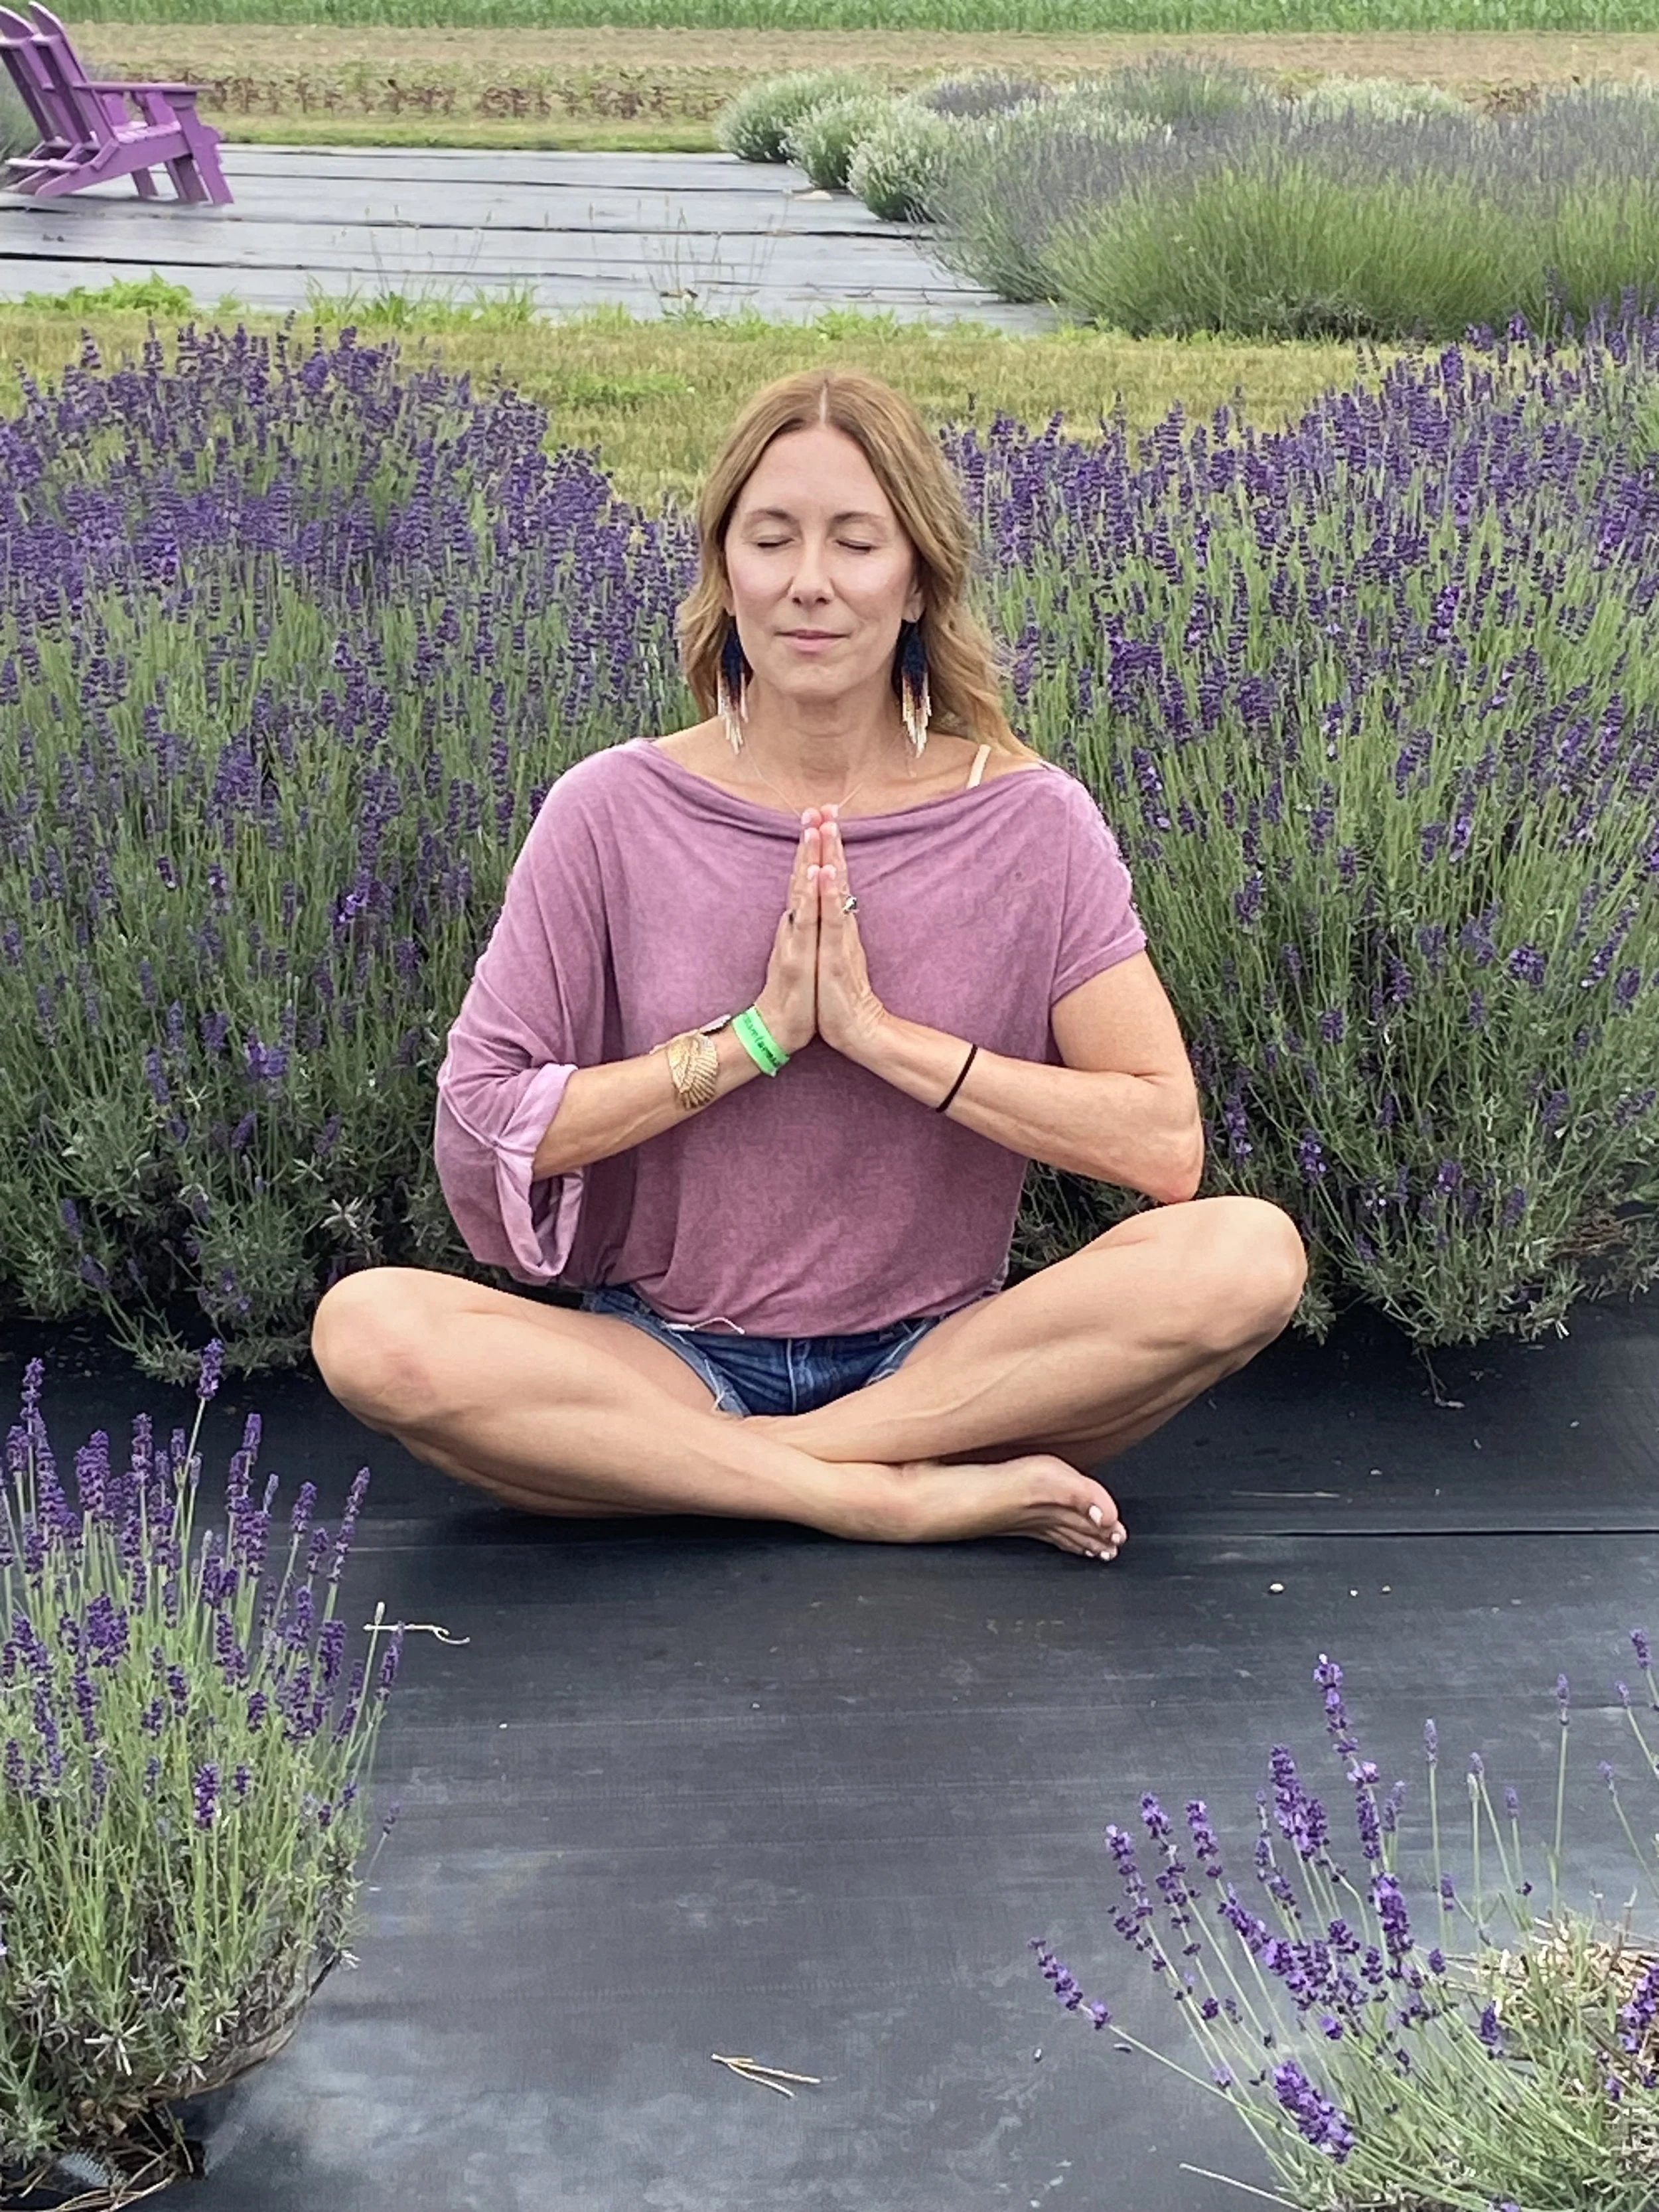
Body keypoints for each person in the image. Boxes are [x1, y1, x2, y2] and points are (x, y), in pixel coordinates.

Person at [309, 367, 1307, 1563]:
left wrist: (885, 1041)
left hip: (943, 1364)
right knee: (371, 1329)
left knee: (1249, 1256)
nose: (810, 583)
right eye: (770, 539)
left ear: (920, 576)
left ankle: (758, 1473)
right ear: (724, 571)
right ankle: (880, 1493)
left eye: (857, 542)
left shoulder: (1033, 823)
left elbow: (1162, 1143)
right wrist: (755, 1042)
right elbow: (482, 1124)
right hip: (663, 1358)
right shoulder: (611, 810)